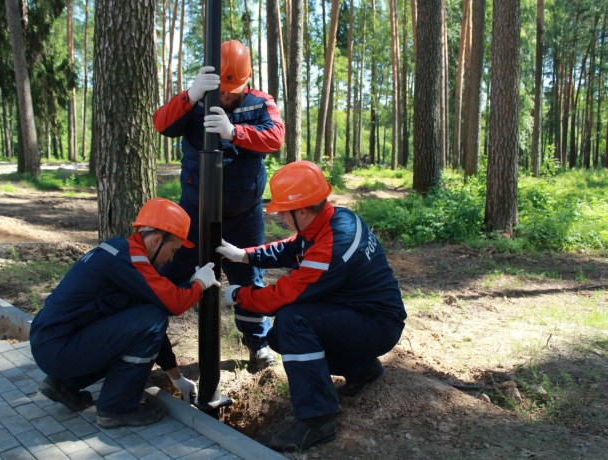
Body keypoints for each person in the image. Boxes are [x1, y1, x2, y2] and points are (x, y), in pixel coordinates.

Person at [216, 161, 407, 452]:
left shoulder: (331, 248)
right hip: (364, 316)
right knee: (280, 336)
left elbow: (283, 296)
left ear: (302, 211)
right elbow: (293, 246)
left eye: (284, 213)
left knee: (293, 321)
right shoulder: (332, 219)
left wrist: (239, 295)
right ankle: (363, 369)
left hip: (377, 325)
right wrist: (244, 255)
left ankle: (318, 420)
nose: (281, 218)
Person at [29, 198, 220, 428]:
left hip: (52, 344)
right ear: (157, 240)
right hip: (59, 349)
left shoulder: (122, 253)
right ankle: (116, 408)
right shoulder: (133, 259)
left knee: (148, 320)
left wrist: (177, 378)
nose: (171, 258)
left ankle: (64, 385)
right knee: (153, 319)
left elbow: (147, 329)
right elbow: (173, 305)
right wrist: (199, 284)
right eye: (173, 250)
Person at [153, 39, 285, 371]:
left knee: (249, 280)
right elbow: (162, 124)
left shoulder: (260, 102)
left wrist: (234, 131)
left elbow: (275, 137)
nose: (226, 97)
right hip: (194, 213)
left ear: (248, 80)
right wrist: (191, 96)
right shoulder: (197, 99)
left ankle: (258, 346)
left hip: (244, 215)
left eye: (233, 91)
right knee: (168, 275)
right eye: (222, 91)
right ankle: (148, 342)